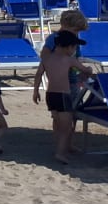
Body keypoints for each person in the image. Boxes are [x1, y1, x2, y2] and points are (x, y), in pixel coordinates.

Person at [33, 29, 96, 163]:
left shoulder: (46, 59)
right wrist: (90, 70)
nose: (75, 50)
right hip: (63, 95)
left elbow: (38, 75)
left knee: (57, 123)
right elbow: (85, 70)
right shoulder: (69, 60)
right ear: (68, 47)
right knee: (66, 127)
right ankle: (60, 153)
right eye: (74, 47)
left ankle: (61, 148)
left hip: (50, 95)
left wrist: (36, 91)